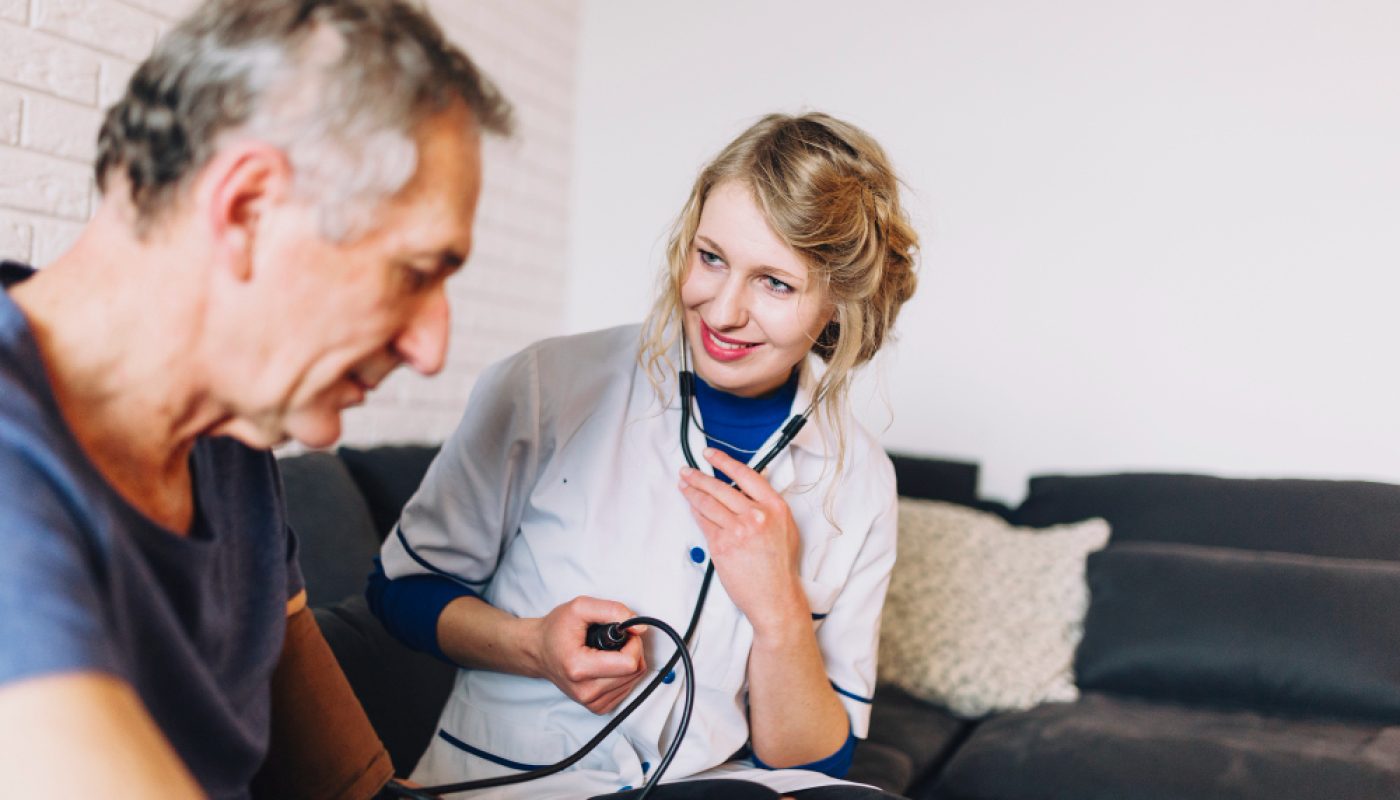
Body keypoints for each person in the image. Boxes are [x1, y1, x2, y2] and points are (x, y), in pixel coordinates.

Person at [0, 1, 511, 797]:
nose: (432, 349)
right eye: (414, 273)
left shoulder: (231, 439)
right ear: (246, 209)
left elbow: (351, 785)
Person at [371, 112, 919, 799]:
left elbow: (816, 761)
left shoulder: (861, 481)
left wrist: (778, 607)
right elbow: (397, 590)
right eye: (711, 258)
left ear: (836, 303)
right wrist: (532, 645)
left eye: (775, 283)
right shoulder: (547, 385)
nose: (721, 311)